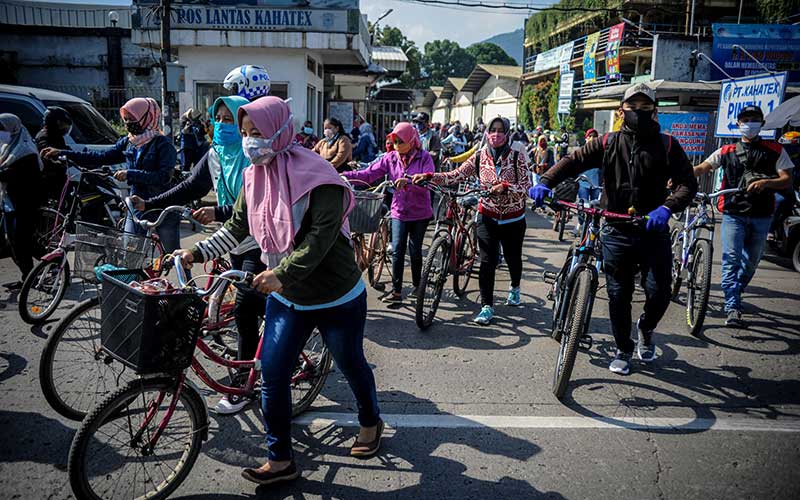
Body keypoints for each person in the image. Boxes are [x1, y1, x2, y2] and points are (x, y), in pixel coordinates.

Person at [174, 96, 382, 485]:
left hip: (336, 295)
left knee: (351, 363)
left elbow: (318, 241)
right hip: (288, 297)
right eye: (246, 133)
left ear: (281, 131)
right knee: (271, 373)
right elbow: (239, 227)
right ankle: (280, 458)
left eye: (258, 133)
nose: (251, 142)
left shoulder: (320, 176)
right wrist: (198, 251)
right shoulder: (253, 175)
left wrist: (280, 274)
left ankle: (371, 421)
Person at [530, 83, 698, 375]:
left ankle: (646, 327)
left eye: (645, 108)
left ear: (655, 111)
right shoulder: (607, 142)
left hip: (653, 231)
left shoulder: (668, 144)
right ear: (622, 110)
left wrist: (667, 207)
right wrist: (545, 181)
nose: (638, 113)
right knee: (619, 295)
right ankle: (623, 348)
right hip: (616, 230)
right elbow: (573, 161)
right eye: (633, 107)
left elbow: (687, 184)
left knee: (659, 292)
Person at [130, 96, 266, 414]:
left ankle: (244, 383)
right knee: (248, 306)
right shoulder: (216, 154)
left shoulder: (255, 157)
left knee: (246, 309)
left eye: (229, 119)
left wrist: (217, 211)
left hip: (261, 241)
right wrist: (150, 204)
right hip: (232, 239)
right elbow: (190, 186)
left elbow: (257, 209)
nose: (222, 124)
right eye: (218, 118)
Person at [413, 116, 531, 325]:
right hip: (487, 215)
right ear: (486, 132)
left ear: (507, 133)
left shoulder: (516, 157)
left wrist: (506, 187)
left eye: (500, 130)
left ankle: (514, 286)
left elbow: (526, 188)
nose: (496, 134)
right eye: (492, 129)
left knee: (513, 258)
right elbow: (455, 175)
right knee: (487, 262)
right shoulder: (479, 156)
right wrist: (430, 176)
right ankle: (487, 306)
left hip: (513, 219)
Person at [693, 105, 794, 327]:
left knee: (751, 262)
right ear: (738, 123)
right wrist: (680, 177)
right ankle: (732, 305)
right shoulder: (726, 151)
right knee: (731, 258)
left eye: (754, 119)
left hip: (762, 214)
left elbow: (787, 179)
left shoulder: (776, 150)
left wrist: (767, 183)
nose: (750, 123)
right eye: (746, 119)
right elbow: (702, 168)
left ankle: (735, 291)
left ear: (762, 123)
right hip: (732, 213)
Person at [42, 97, 181, 253]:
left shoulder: (163, 145)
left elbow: (163, 177)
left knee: (174, 255)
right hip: (136, 207)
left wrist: (130, 174)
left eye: (132, 119)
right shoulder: (129, 142)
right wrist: (63, 153)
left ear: (147, 117)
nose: (128, 124)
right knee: (130, 255)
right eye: (126, 119)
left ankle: (185, 277)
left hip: (162, 208)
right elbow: (101, 157)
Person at [344, 122, 434, 303]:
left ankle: (418, 286)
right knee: (397, 250)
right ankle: (396, 291)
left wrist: (409, 181)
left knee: (415, 251)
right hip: (399, 211)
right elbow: (369, 174)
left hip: (420, 212)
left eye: (400, 141)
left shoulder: (424, 158)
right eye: (394, 141)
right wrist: (345, 175)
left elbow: (429, 180)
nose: (397, 145)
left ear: (411, 140)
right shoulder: (390, 158)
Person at [0, 113, 43, 288]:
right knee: (15, 241)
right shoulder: (7, 147)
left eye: (2, 129)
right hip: (10, 202)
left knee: (23, 241)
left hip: (25, 203)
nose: (1, 133)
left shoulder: (26, 152)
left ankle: (49, 268)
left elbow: (17, 177)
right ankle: (31, 274)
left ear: (13, 128)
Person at [34, 106, 72, 201]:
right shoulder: (44, 136)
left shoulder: (56, 135)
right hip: (49, 180)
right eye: (62, 124)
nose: (64, 128)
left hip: (58, 177)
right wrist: (59, 162)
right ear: (55, 123)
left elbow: (61, 149)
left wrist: (71, 153)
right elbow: (46, 154)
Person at [572, 128, 603, 236]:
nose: (592, 138)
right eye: (590, 136)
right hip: (583, 183)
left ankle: (593, 229)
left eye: (595, 136)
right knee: (582, 205)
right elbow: (574, 166)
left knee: (595, 209)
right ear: (586, 138)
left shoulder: (601, 153)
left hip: (596, 185)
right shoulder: (581, 152)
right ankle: (580, 225)